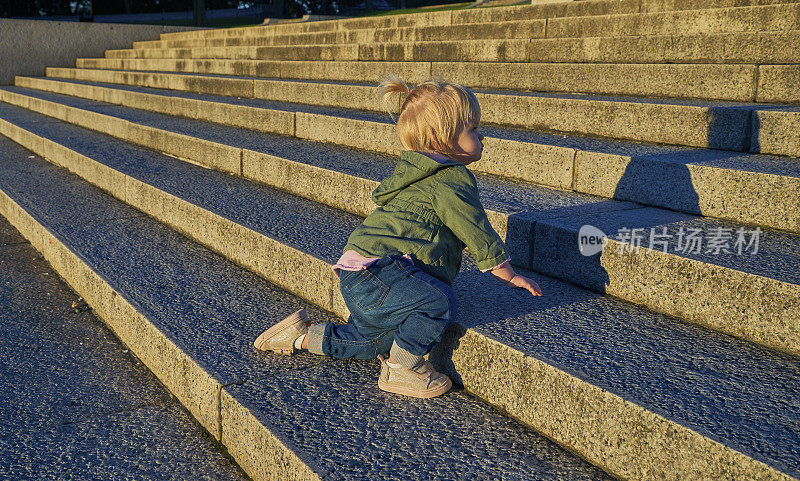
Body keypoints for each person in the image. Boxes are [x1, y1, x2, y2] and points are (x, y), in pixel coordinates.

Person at [254, 75, 542, 398]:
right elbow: (475, 227)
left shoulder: (415, 173)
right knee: (439, 301)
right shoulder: (451, 178)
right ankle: (402, 369)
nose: (481, 134)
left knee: (370, 341)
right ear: (441, 139)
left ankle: (300, 336)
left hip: (359, 275)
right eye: (472, 129)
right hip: (382, 271)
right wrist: (507, 273)